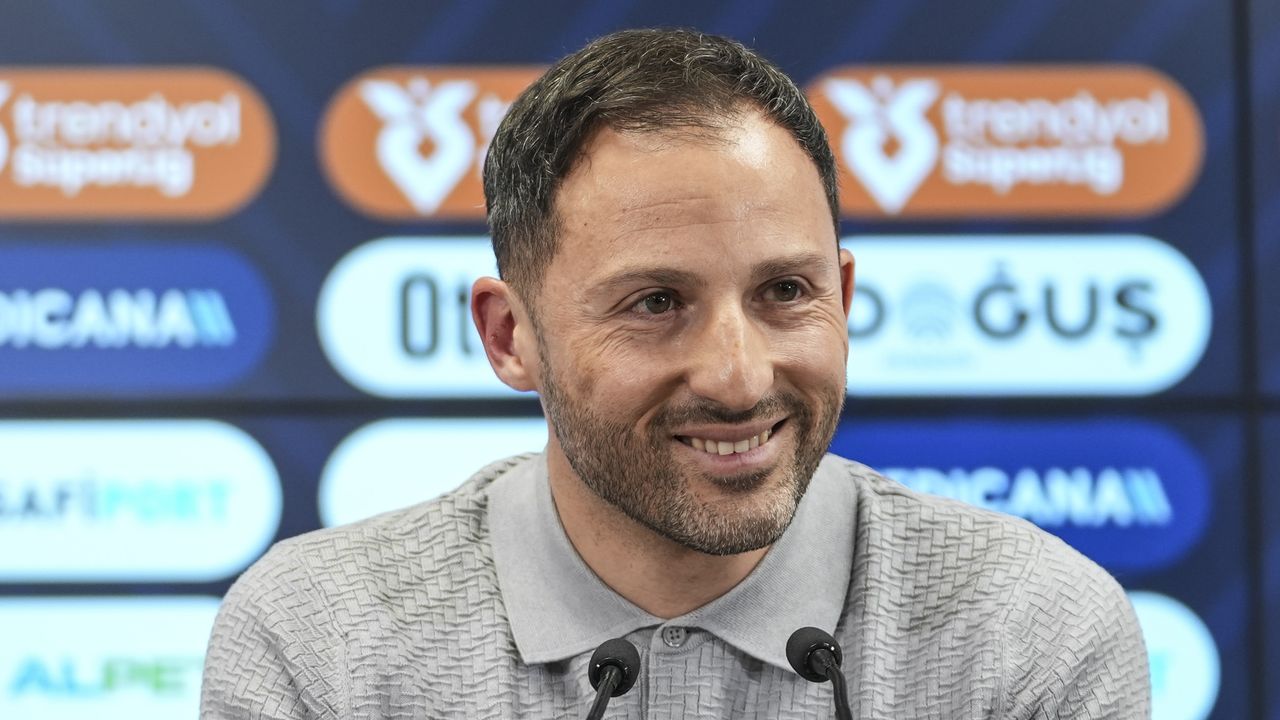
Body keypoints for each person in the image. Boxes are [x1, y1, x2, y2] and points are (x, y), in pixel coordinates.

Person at [201, 29, 1149, 719]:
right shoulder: (318, 639)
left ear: (845, 297)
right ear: (509, 335)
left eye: (786, 291)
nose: (738, 378)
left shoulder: (1030, 627)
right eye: (656, 303)